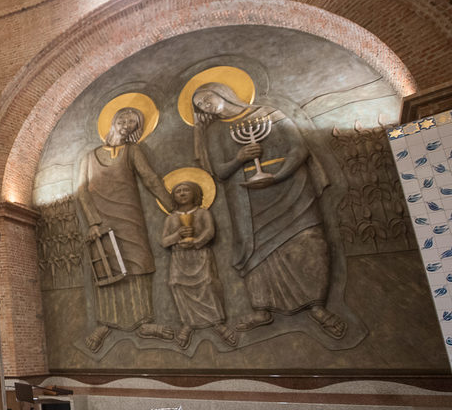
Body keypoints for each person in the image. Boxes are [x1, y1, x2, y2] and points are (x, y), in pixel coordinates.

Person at [191, 82, 347, 338]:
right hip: (247, 198)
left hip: (292, 190)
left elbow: (299, 148)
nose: (206, 106)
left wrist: (278, 174)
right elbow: (219, 170)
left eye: (207, 98)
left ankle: (318, 307)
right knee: (257, 250)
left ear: (223, 92)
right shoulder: (215, 132)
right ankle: (262, 308)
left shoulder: (268, 114)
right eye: (201, 106)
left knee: (310, 241)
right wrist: (239, 158)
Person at [78, 105, 176, 352]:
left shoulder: (132, 151)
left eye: (133, 122)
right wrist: (93, 222)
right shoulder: (89, 157)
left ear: (136, 130)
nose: (127, 124)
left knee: (137, 263)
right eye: (124, 118)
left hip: (129, 216)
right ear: (113, 120)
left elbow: (150, 178)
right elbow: (80, 191)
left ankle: (144, 321)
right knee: (107, 267)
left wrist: (173, 205)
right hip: (101, 221)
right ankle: (105, 324)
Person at [160, 180, 238, 349]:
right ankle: (187, 324)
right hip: (179, 259)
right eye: (177, 191)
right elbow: (164, 241)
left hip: (200, 256)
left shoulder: (203, 213)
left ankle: (218, 324)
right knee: (177, 286)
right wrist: (177, 235)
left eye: (185, 190)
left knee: (207, 285)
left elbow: (210, 232)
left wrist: (196, 241)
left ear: (195, 193)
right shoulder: (171, 218)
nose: (181, 193)